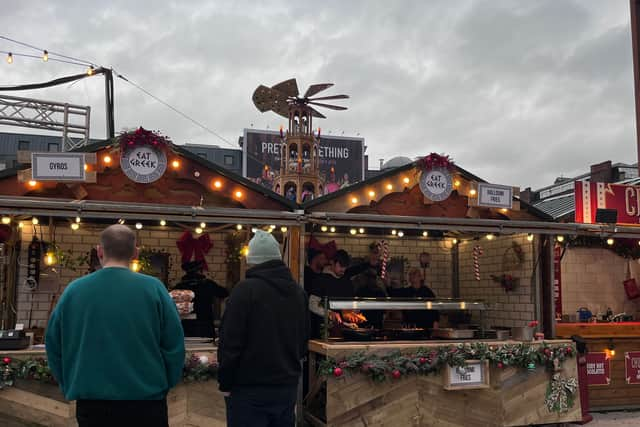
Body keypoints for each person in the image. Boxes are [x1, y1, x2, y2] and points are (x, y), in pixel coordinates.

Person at [45, 224, 185, 427]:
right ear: (136, 253)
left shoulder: (74, 290)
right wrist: (166, 382)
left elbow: (54, 343)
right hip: (147, 401)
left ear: (99, 251)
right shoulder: (154, 288)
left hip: (92, 403)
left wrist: (68, 383)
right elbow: (174, 344)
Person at [218, 230, 308, 427]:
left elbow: (230, 343)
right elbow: (302, 342)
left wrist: (225, 382)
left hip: (248, 391)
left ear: (252, 261)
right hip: (286, 388)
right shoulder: (298, 293)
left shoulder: (244, 291)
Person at [173, 260, 229, 338]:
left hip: (186, 325)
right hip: (205, 325)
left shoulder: (179, 286)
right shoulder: (208, 284)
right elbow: (224, 293)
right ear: (199, 271)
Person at [308, 250, 354, 337]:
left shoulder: (347, 282)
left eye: (345, 266)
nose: (343, 269)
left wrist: (353, 312)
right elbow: (312, 304)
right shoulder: (320, 280)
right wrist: (328, 313)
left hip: (345, 330)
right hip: (324, 331)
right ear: (332, 263)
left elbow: (350, 304)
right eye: (340, 266)